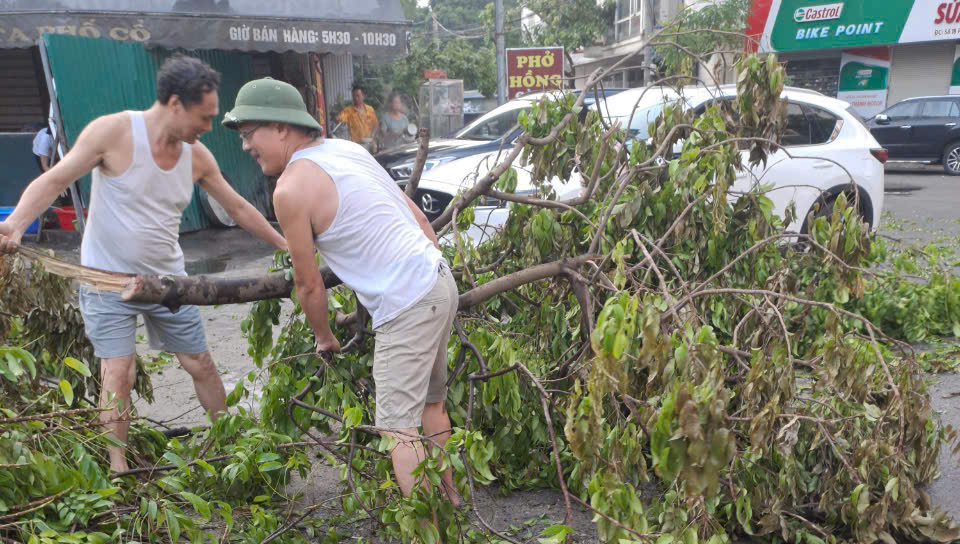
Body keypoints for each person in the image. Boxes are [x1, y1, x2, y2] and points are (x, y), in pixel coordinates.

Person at [0, 55, 288, 473]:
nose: (208, 127)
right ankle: (120, 470)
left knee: (200, 363)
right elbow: (55, 179)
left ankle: (230, 445)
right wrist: (14, 225)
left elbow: (240, 208)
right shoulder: (112, 133)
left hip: (169, 282)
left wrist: (288, 246)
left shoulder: (197, 156)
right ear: (175, 104)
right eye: (203, 117)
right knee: (119, 372)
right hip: (105, 280)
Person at [223, 78, 462, 513]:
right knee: (432, 406)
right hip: (436, 279)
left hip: (406, 303)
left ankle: (431, 530)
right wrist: (430, 266)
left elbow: (308, 282)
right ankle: (453, 499)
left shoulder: (290, 189)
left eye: (248, 134)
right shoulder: (347, 150)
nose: (245, 147)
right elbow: (414, 214)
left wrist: (324, 337)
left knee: (398, 429)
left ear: (280, 128)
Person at [336, 84, 378, 152]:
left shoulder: (370, 109)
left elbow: (375, 125)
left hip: (370, 144)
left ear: (363, 96)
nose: (355, 98)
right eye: (353, 96)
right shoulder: (348, 111)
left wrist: (372, 136)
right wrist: (338, 119)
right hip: (356, 146)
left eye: (358, 96)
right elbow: (339, 119)